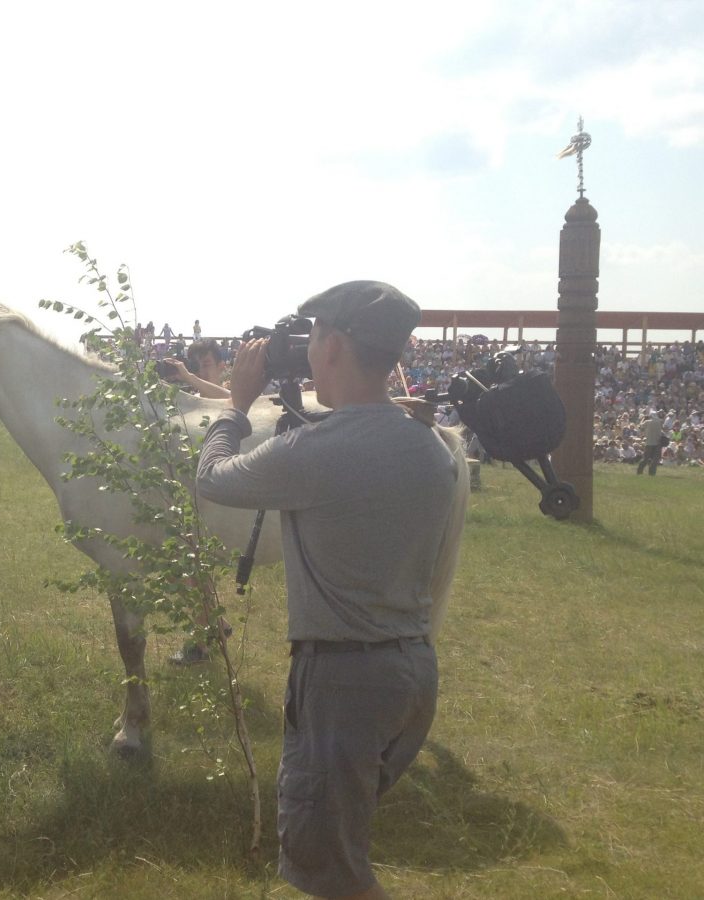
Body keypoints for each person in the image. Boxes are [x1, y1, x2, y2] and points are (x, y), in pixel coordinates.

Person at [196, 281, 467, 899]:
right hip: (410, 672)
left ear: (335, 344)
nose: (306, 345)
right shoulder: (427, 443)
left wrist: (235, 407)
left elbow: (213, 479)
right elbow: (354, 434)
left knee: (332, 873)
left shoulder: (315, 452)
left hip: (343, 685)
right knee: (345, 843)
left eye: (311, 334)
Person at [163, 338, 231, 400]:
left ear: (221, 367)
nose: (200, 370)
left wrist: (189, 377)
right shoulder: (189, 400)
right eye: (195, 365)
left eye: (205, 365)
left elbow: (231, 399)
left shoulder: (232, 400)